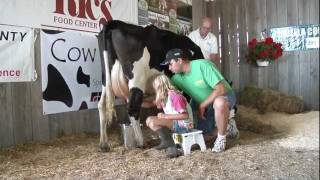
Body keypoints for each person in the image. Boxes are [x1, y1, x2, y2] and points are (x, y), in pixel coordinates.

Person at [160, 48, 239, 153]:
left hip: (224, 96)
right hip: (202, 103)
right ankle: (228, 127)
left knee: (219, 102)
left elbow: (221, 89)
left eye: (170, 64)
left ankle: (221, 139)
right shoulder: (176, 79)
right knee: (203, 138)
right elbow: (165, 92)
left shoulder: (203, 65)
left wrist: (202, 105)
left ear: (179, 60)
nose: (169, 68)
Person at [145, 74, 193, 158]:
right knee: (149, 120)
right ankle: (169, 143)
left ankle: (169, 143)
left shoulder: (175, 96)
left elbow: (185, 116)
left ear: (160, 86)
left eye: (155, 87)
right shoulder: (165, 96)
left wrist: (165, 116)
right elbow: (150, 104)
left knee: (153, 121)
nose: (154, 90)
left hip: (184, 126)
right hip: (176, 123)